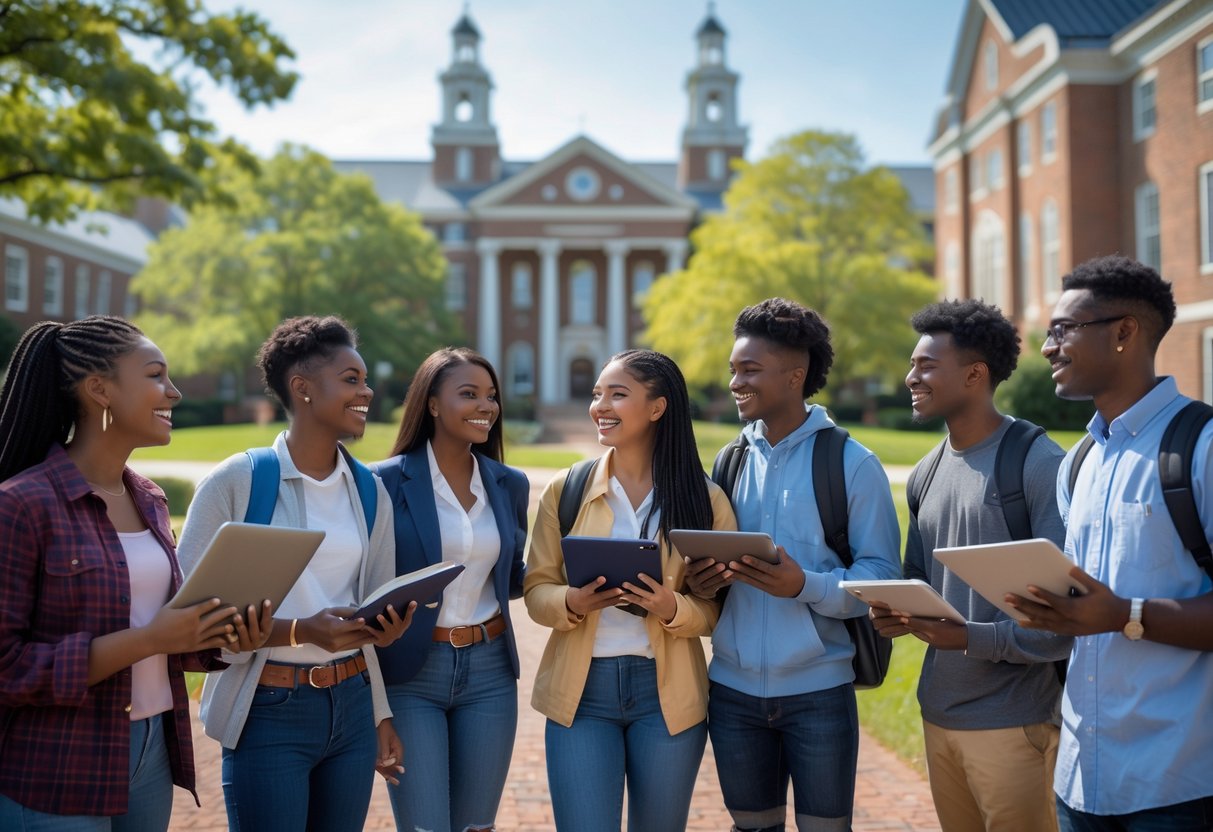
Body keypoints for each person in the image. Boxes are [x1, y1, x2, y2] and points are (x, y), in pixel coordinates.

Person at [0, 316, 271, 830]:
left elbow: (161, 629)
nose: (174, 392)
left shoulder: (148, 498)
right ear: (99, 390)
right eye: (155, 375)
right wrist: (148, 639)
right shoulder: (21, 505)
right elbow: (7, 666)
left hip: (152, 750)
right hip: (57, 763)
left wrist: (220, 632)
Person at [176, 315, 412, 832]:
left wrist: (380, 703)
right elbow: (189, 618)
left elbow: (372, 604)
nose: (367, 391)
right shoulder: (236, 481)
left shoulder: (369, 491)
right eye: (351, 379)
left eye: (365, 379)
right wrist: (301, 631)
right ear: (302, 388)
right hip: (268, 709)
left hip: (352, 708)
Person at [1008, 256, 1213, 831]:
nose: (1047, 347)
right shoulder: (1078, 463)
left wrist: (1125, 614)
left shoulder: (1201, 447)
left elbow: (1113, 611)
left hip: (1178, 783)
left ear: (1124, 332)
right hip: (1081, 778)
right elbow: (1084, 606)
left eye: (1063, 330)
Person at [684, 297, 902, 832]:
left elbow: (882, 579)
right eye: (733, 369)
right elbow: (713, 572)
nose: (735, 382)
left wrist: (804, 584)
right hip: (732, 693)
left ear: (794, 376)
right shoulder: (729, 461)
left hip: (819, 694)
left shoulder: (852, 463)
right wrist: (701, 582)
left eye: (749, 370)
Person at [869, 299, 1070, 832]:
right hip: (938, 714)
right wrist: (898, 613)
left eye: (926, 365)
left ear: (975, 374)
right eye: (912, 364)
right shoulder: (926, 471)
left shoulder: (1038, 464)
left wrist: (967, 638)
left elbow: (1063, 624)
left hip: (1015, 722)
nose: (911, 377)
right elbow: (919, 581)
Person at [524, 349, 736, 832]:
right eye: (597, 394)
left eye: (617, 394)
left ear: (657, 407)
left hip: (667, 697)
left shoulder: (705, 500)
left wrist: (670, 607)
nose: (600, 406)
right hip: (581, 694)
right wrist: (572, 602)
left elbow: (718, 609)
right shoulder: (566, 489)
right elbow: (536, 589)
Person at [370, 347, 528, 832]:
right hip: (411, 675)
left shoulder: (510, 484)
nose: (486, 406)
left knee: (476, 826)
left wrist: (570, 578)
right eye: (469, 394)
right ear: (433, 404)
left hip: (490, 672)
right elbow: (365, 587)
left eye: (491, 395)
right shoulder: (381, 482)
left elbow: (512, 577)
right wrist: (375, 709)